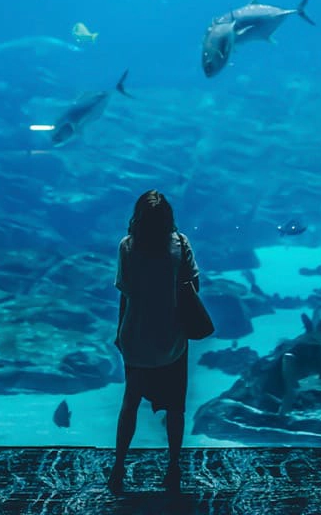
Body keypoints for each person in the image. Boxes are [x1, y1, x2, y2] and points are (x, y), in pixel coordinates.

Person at [108, 190, 200, 495]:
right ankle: (173, 467)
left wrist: (120, 332)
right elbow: (193, 285)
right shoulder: (180, 243)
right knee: (176, 408)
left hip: (136, 335)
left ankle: (118, 468)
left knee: (129, 404)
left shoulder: (127, 246)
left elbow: (125, 292)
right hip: (172, 337)